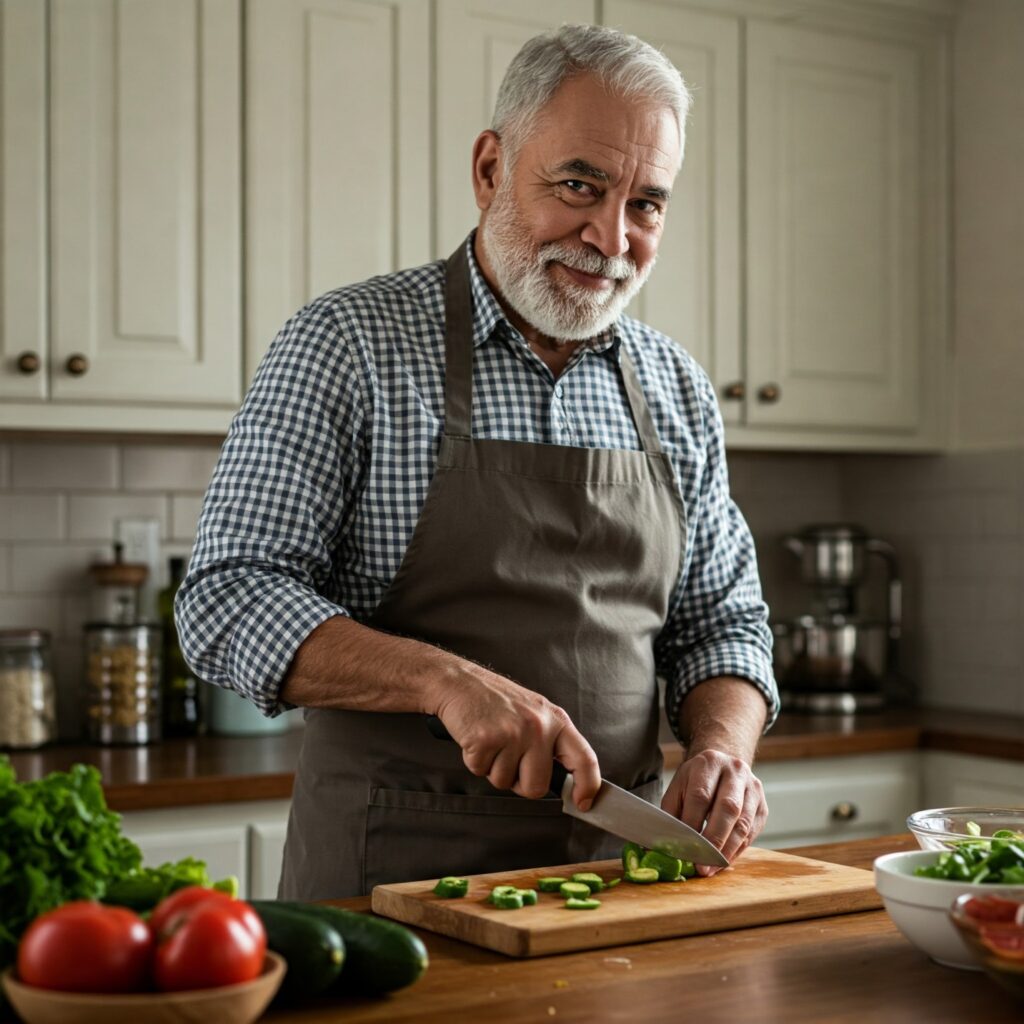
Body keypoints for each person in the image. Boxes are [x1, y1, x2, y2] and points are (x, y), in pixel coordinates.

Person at [176, 24, 778, 900]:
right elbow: (227, 598)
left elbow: (723, 622)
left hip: (620, 879)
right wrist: (444, 682)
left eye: (646, 204)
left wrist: (723, 749)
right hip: (392, 881)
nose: (611, 239)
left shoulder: (677, 386)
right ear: (491, 168)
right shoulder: (349, 343)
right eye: (579, 184)